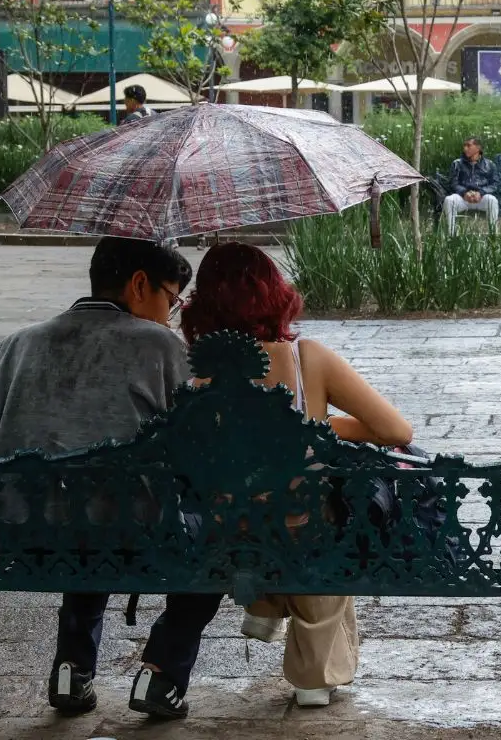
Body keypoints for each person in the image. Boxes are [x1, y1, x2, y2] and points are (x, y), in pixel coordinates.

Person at [0, 238, 224, 720]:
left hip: (15, 535)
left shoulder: (17, 344)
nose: (171, 315)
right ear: (139, 285)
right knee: (215, 531)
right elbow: (200, 449)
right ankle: (163, 674)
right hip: (131, 538)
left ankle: (72, 667)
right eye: (171, 298)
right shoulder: (160, 346)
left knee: (82, 508)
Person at [178, 242, 414, 707]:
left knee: (262, 509)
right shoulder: (308, 358)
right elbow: (396, 431)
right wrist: (317, 420)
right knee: (338, 519)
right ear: (274, 294)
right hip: (302, 530)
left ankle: (266, 604)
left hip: (226, 532)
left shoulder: (198, 373)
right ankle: (313, 677)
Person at [442, 136, 499, 235]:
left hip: (481, 198)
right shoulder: (457, 164)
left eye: (468, 145)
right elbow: (453, 183)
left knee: (492, 200)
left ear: (478, 148)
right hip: (462, 198)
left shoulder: (489, 164)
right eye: (464, 146)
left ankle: (493, 235)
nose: (465, 148)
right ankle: (451, 235)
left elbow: (494, 184)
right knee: (449, 200)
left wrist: (481, 193)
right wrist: (464, 192)